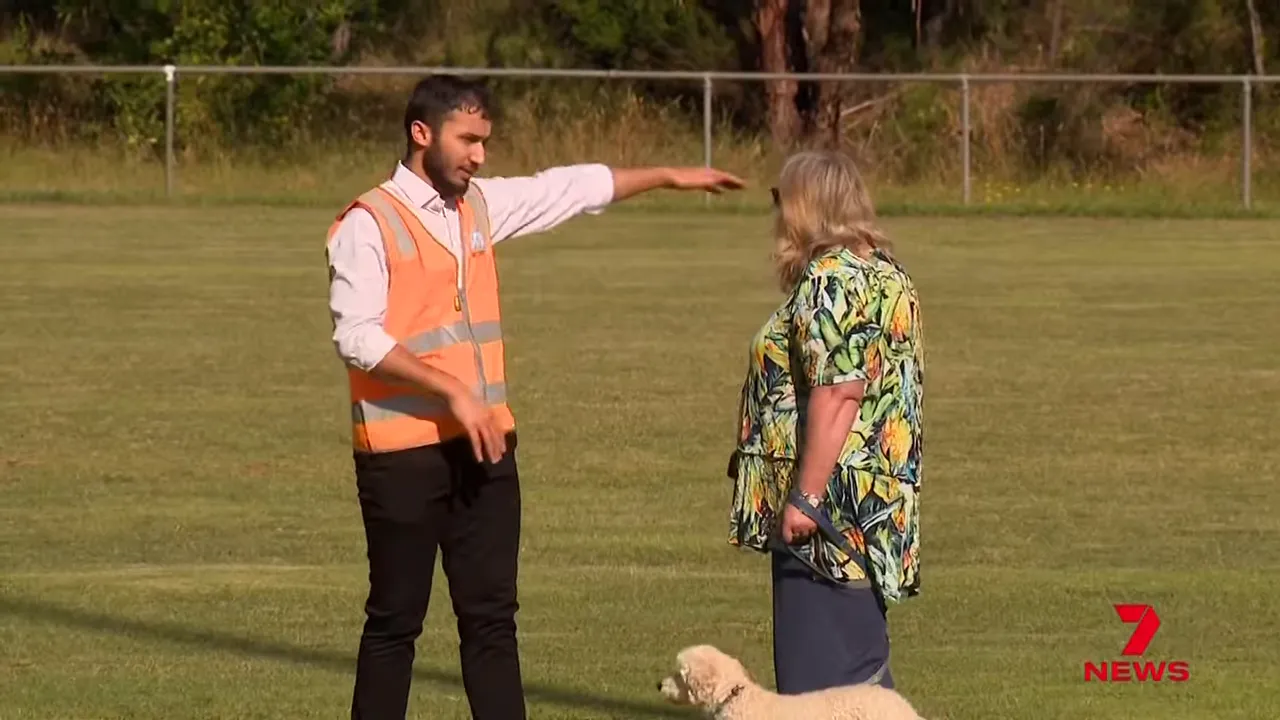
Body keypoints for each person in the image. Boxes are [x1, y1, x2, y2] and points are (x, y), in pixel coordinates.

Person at [324, 74, 743, 720]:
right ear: (421, 133)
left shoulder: (480, 206)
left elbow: (571, 187)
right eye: (467, 140)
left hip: (487, 453)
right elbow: (354, 334)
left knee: (492, 624)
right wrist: (452, 392)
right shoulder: (367, 222)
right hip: (402, 458)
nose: (478, 155)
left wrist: (666, 174)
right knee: (394, 625)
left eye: (484, 141)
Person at [726, 149, 925, 695]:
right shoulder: (888, 275)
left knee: (822, 685)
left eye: (780, 201)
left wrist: (806, 497)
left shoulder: (830, 277)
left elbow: (839, 392)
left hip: (828, 508)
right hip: (870, 501)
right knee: (856, 674)